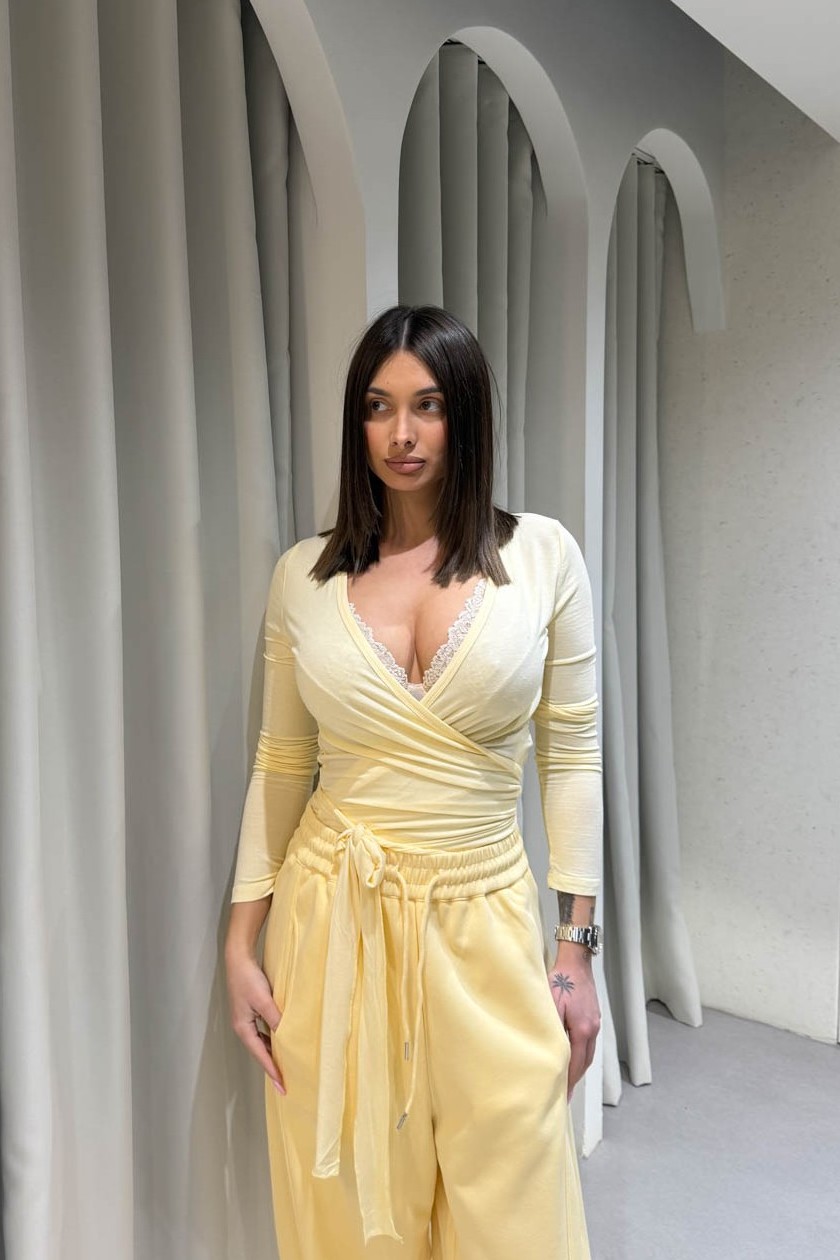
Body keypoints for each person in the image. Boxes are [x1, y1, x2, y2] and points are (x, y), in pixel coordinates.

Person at [224, 305, 603, 1259]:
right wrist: (239, 944)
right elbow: (282, 761)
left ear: (464, 413)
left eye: (427, 405)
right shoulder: (303, 577)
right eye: (378, 406)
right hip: (332, 924)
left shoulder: (544, 556)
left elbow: (572, 752)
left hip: (486, 920)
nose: (401, 433)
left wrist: (578, 947)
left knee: (513, 1210)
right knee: (348, 1217)